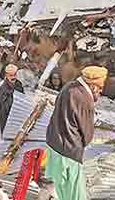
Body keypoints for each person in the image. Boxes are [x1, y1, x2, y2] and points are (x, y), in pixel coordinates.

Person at [46, 66, 107, 200]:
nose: (101, 91)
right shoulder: (85, 99)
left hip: (53, 144)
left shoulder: (68, 86)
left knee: (60, 189)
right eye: (100, 87)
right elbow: (87, 134)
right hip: (69, 151)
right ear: (93, 86)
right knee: (75, 193)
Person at [0, 64, 24, 135]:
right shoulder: (2, 90)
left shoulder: (18, 84)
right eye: (11, 75)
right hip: (7, 120)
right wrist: (14, 98)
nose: (13, 77)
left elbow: (22, 98)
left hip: (18, 117)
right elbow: (5, 108)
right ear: (6, 75)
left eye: (15, 74)